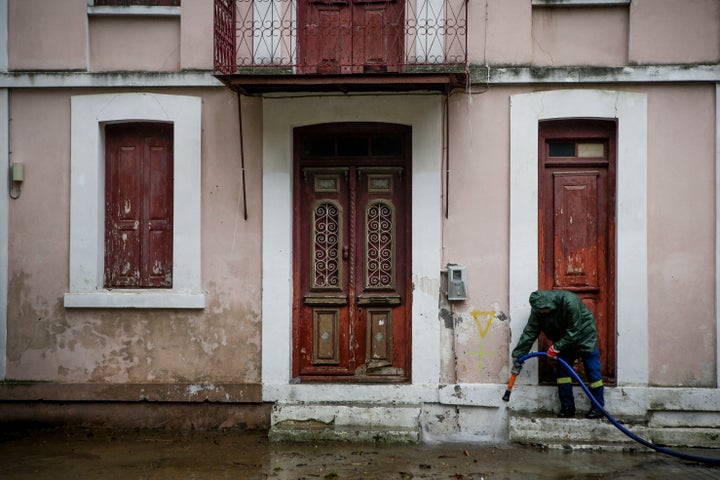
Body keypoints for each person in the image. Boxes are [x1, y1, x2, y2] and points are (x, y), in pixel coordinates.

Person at [511, 290, 605, 419]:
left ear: (551, 303)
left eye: (545, 309)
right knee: (563, 375)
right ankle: (567, 408)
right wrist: (518, 354)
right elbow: (530, 331)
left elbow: (574, 329)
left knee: (593, 372)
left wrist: (556, 346)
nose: (543, 312)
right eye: (540, 310)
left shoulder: (569, 301)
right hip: (563, 341)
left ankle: (598, 408)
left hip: (584, 336)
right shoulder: (538, 310)